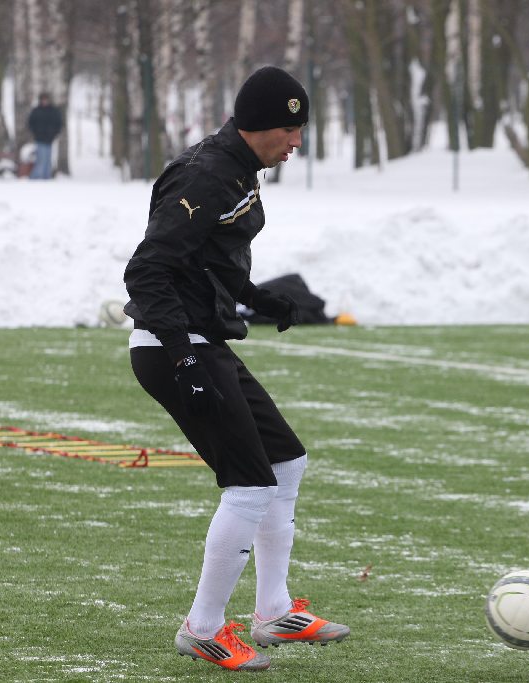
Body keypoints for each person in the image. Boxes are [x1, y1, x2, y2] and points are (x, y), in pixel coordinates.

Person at [122, 66, 349, 673]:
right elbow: (147, 269)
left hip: (201, 340)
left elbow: (207, 258)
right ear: (259, 128)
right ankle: (203, 628)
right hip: (173, 346)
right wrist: (183, 354)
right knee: (249, 485)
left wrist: (257, 296)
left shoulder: (238, 168)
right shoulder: (205, 174)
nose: (297, 143)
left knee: (285, 461)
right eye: (290, 130)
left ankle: (273, 611)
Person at [27, 93, 62, 179]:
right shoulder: (36, 111)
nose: (44, 101)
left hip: (49, 139)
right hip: (39, 139)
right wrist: (36, 132)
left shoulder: (53, 111)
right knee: (41, 160)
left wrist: (55, 133)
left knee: (48, 160)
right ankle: (36, 177)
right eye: (43, 100)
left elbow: (59, 123)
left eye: (46, 99)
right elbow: (30, 123)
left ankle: (47, 177)